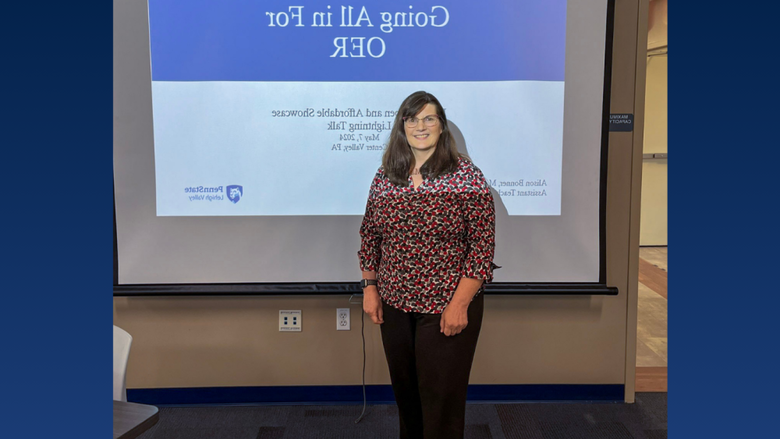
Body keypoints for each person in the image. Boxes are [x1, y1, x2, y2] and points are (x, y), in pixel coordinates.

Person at [358, 91, 497, 439]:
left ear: (441, 125)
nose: (420, 126)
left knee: (441, 404)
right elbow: (370, 234)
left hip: (446, 305)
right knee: (407, 399)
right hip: (394, 305)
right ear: (401, 126)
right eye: (412, 119)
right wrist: (370, 288)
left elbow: (482, 247)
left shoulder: (466, 177)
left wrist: (460, 304)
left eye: (429, 118)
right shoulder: (387, 175)